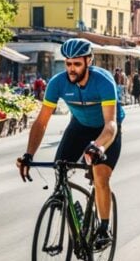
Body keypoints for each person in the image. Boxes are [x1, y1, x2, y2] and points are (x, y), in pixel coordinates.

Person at [17, 38, 124, 250]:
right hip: (79, 126)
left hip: (105, 130)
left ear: (88, 61)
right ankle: (72, 210)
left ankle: (103, 229)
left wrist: (99, 147)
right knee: (60, 167)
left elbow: (111, 124)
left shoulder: (103, 81)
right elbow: (41, 122)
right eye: (68, 64)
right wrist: (29, 155)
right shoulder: (57, 83)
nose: (71, 69)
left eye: (77, 64)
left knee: (101, 175)